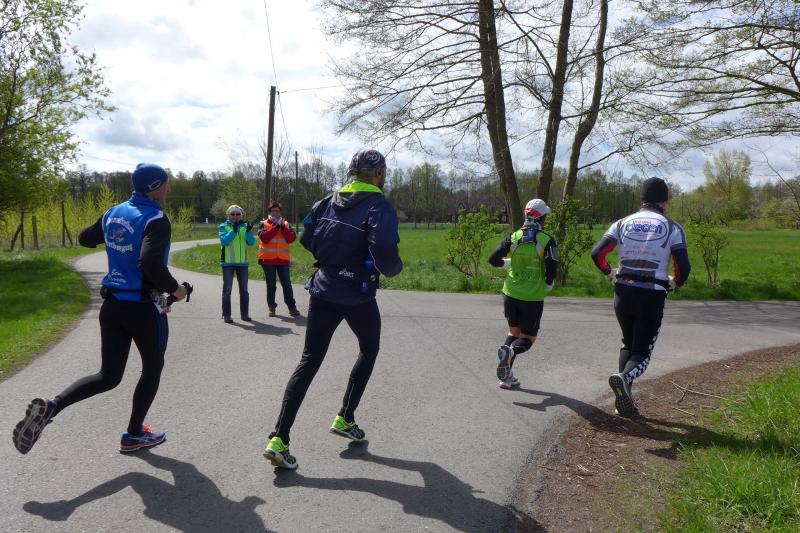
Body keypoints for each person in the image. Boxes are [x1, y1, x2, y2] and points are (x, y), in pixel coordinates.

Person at [12, 163, 189, 455]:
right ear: (154, 187)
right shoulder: (156, 218)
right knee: (152, 368)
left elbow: (85, 238)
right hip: (143, 308)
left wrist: (116, 239)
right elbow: (149, 262)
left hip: (112, 307)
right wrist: (176, 290)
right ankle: (133, 435)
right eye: (165, 183)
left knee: (108, 376)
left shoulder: (113, 213)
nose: (169, 188)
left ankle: (52, 407)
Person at [263, 148, 403, 470]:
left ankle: (279, 439)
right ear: (379, 174)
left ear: (352, 172)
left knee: (309, 359)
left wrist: (331, 257)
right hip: (357, 294)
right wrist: (393, 269)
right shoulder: (378, 205)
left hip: (323, 288)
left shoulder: (326, 201)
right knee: (369, 348)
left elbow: (306, 239)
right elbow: (384, 250)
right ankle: (345, 417)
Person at [591, 177, 691, 417]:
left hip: (622, 291)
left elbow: (597, 253)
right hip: (652, 294)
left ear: (642, 199)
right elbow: (683, 267)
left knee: (628, 343)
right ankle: (625, 379)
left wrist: (607, 271)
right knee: (642, 353)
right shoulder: (672, 227)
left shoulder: (621, 223)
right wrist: (676, 282)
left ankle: (623, 401)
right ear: (665, 200)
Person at [488, 199, 558, 390]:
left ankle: (506, 377)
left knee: (513, 332)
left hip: (510, 293)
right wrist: (549, 284)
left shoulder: (513, 237)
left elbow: (492, 259)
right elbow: (552, 267)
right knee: (528, 338)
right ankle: (510, 353)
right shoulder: (546, 240)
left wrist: (506, 264)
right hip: (532, 297)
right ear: (542, 218)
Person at [258, 201, 300, 318]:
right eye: (273, 211)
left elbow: (291, 238)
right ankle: (272, 307)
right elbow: (264, 238)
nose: (275, 213)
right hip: (268, 259)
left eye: (277, 211)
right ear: (269, 212)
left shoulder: (286, 224)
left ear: (280, 212)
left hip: (283, 260)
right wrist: (276, 227)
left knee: (287, 284)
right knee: (271, 285)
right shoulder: (263, 223)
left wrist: (283, 228)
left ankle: (292, 307)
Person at [219, 205, 255, 323]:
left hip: (242, 263)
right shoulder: (223, 226)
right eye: (232, 214)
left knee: (244, 290)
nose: (235, 216)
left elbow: (251, 243)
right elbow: (224, 241)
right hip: (228, 263)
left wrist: (248, 232)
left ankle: (244, 314)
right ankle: (227, 315)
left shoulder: (245, 226)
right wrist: (233, 231)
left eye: (238, 214)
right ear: (228, 215)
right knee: (227, 290)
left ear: (241, 215)